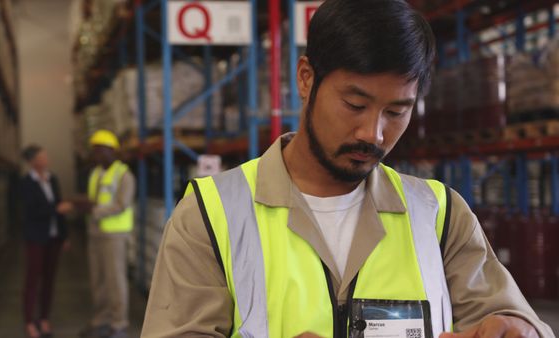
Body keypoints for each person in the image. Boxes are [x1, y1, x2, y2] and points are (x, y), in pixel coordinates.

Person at [141, 1, 554, 337]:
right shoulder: (211, 215)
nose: (372, 133)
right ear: (306, 79)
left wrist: (519, 329)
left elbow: (511, 317)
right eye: (355, 105)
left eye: (396, 111)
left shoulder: (439, 214)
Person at [78, 130, 135, 338]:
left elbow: (122, 204)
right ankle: (101, 320)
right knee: (98, 280)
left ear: (111, 151)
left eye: (99, 150)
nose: (95, 155)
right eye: (94, 151)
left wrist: (92, 209)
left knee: (115, 280)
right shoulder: (96, 174)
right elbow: (96, 199)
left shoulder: (124, 175)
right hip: (96, 233)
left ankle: (119, 324)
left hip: (115, 235)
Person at [20, 145, 73, 338]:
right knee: (33, 279)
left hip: (54, 237)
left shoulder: (53, 179)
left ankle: (44, 318)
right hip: (36, 236)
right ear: (33, 161)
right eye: (42, 155)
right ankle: (28, 321)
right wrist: (55, 209)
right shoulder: (27, 183)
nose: (46, 158)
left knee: (49, 279)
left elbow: (59, 207)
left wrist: (65, 235)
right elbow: (32, 211)